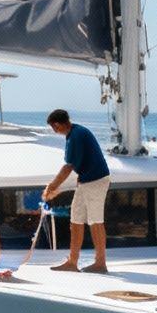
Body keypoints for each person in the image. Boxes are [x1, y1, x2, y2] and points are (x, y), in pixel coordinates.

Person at [43, 108, 112, 274]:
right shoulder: (73, 134)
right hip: (85, 181)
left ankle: (100, 263)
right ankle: (72, 262)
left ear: (58, 124)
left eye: (53, 127)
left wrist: (51, 187)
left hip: (96, 181)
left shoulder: (77, 135)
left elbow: (68, 167)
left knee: (95, 221)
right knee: (76, 219)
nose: (54, 130)